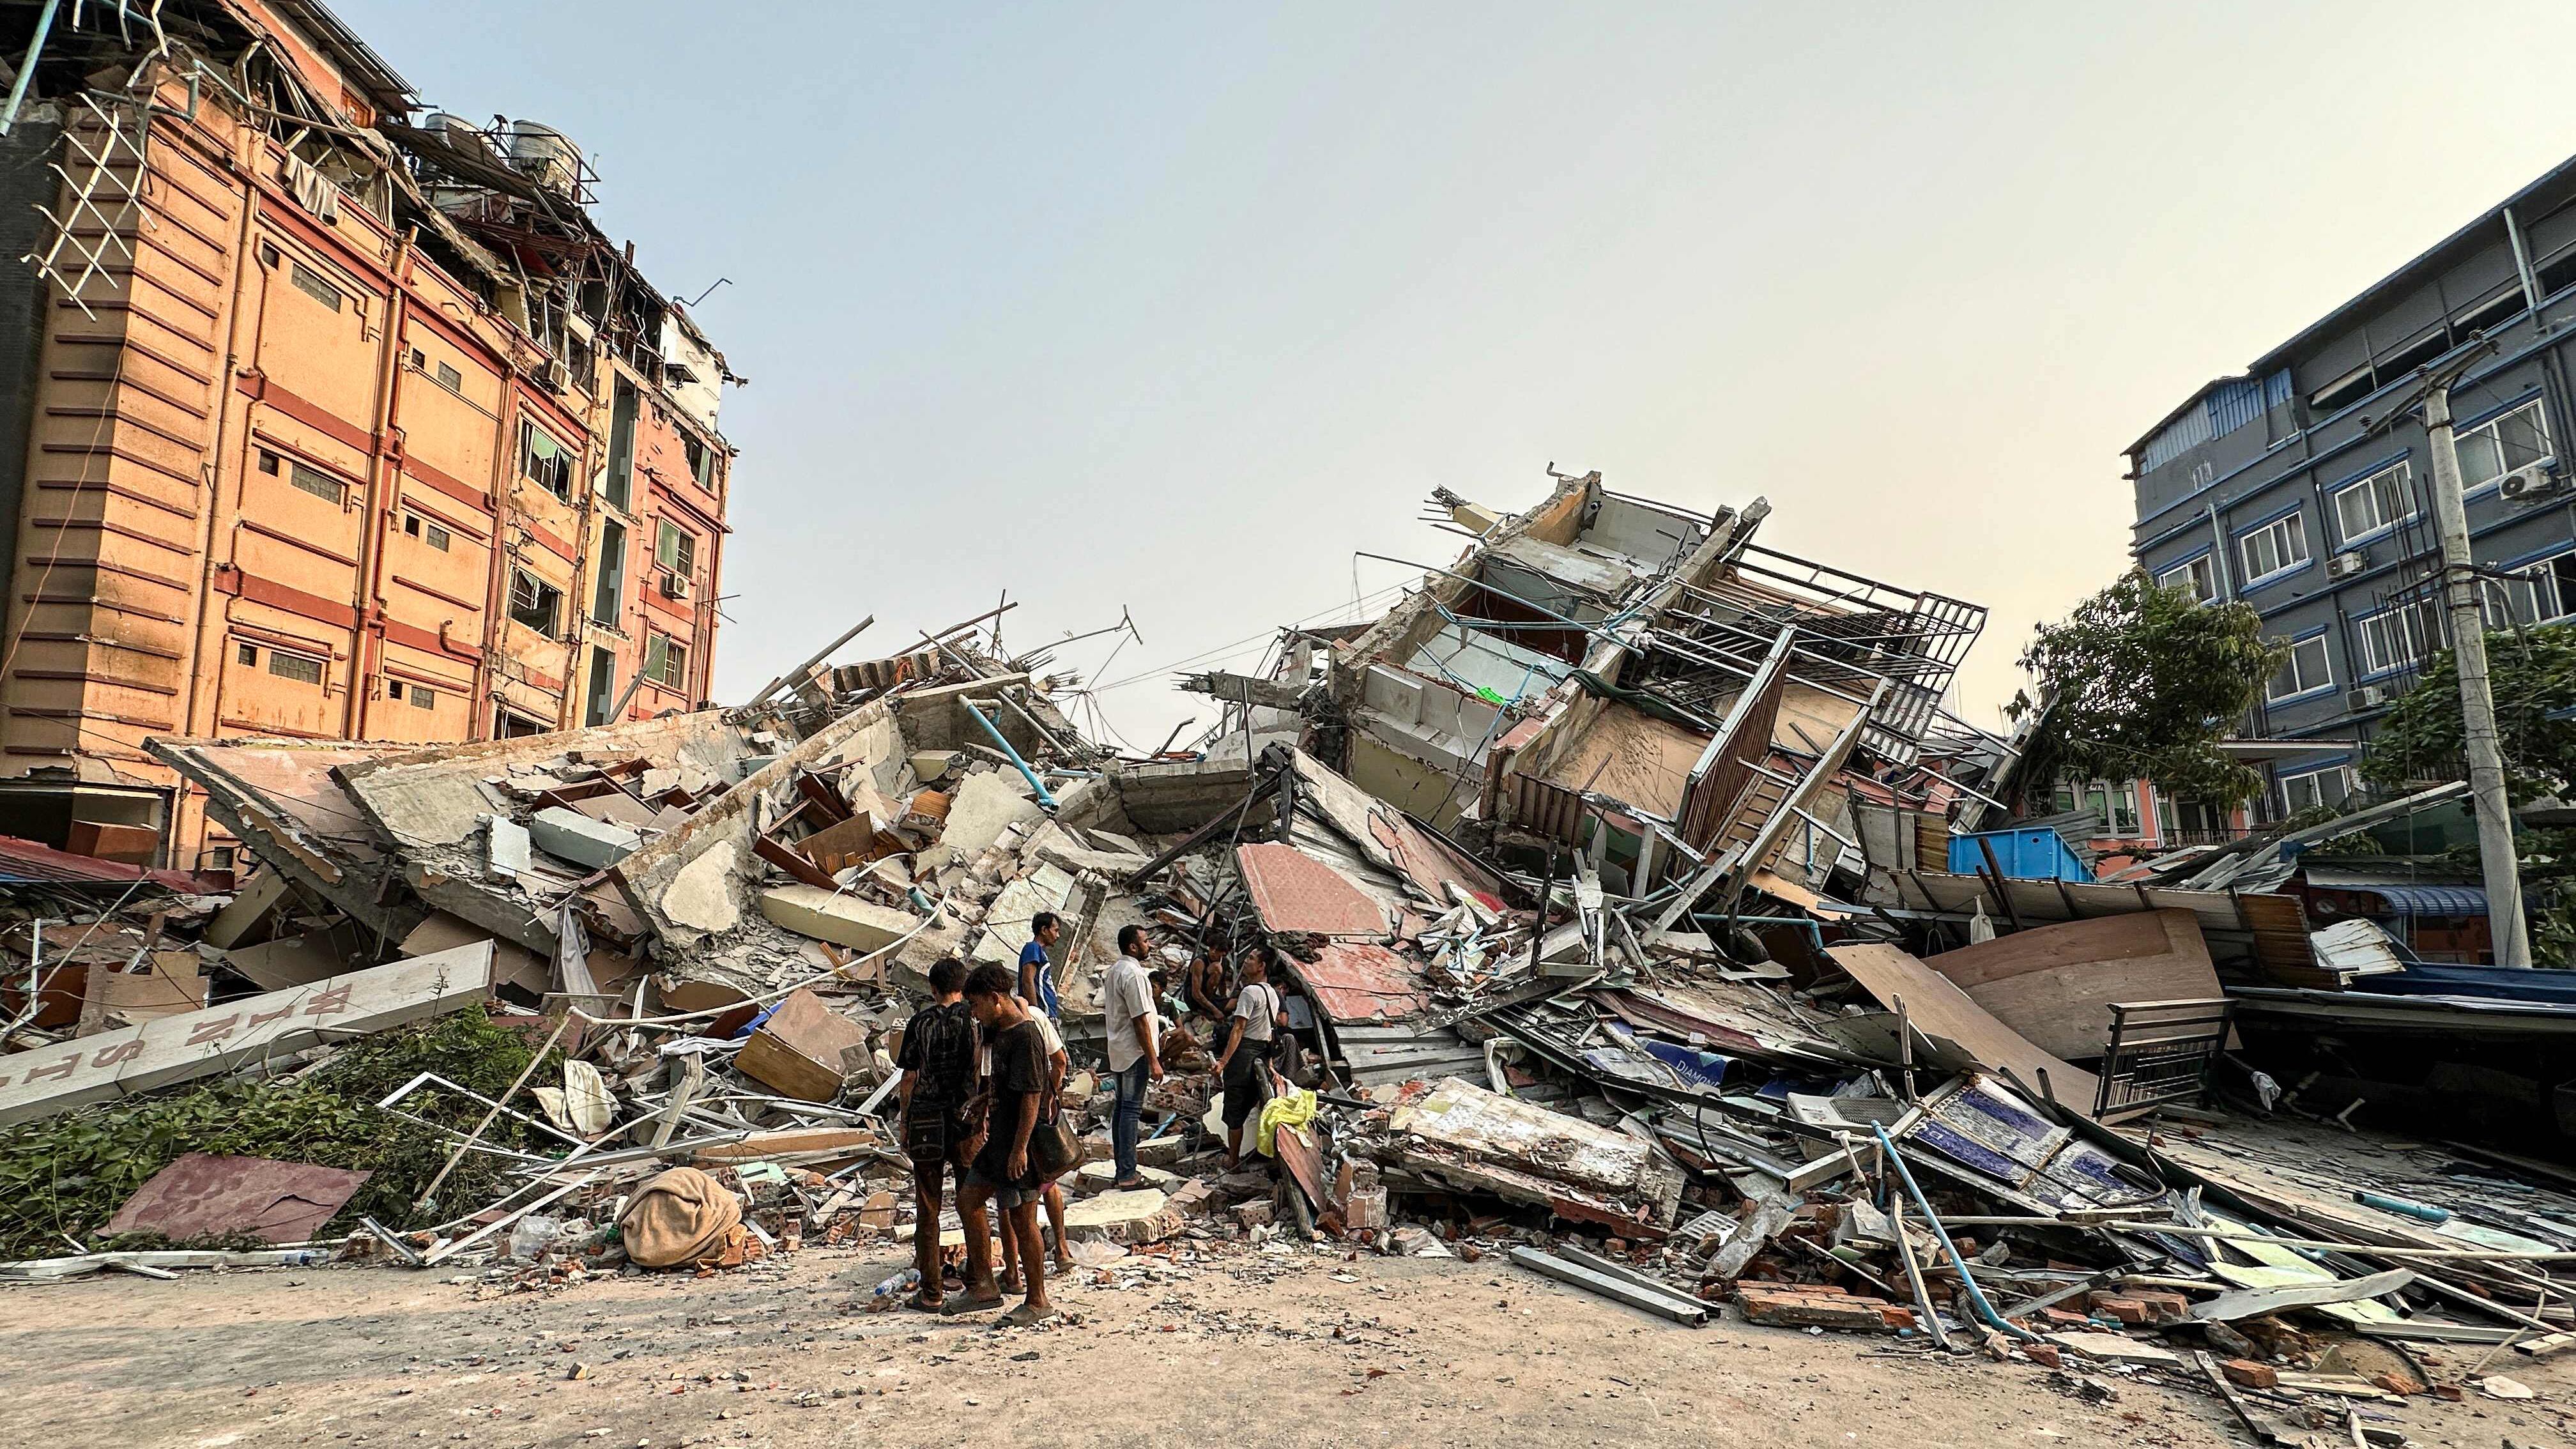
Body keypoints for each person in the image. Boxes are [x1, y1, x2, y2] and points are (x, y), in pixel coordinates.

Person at [950, 963, 1056, 1325]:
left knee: (1023, 1219)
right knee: (968, 1200)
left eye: (978, 1006)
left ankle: (1037, 1299)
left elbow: (1031, 1096)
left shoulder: (1026, 1035)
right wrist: (983, 1101)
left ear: (996, 1000)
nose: (976, 1015)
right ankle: (984, 1285)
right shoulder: (1003, 1033)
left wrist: (1020, 1149)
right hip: (1000, 1140)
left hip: (1017, 1143)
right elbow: (1008, 1086)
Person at [893, 956, 978, 1312]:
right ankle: (977, 1280)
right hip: (964, 1119)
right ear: (963, 986)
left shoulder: (920, 1022)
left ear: (933, 988)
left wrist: (905, 1122)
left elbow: (909, 1078)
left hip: (927, 1119)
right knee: (971, 1202)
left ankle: (931, 1291)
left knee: (928, 1206)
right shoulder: (974, 1020)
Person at [997, 1005, 1075, 1289]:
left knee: (1011, 1199)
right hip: (1042, 1114)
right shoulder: (1038, 1017)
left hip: (1015, 1120)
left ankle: (1014, 1272)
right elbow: (1061, 1061)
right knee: (1048, 1180)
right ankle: (1062, 1249)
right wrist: (1051, 1097)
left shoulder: (1005, 1029)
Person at [1214, 952, 1289, 1170]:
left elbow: (1239, 1029)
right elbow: (1270, 1030)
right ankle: (1262, 1153)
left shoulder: (1249, 992)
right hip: (1262, 1054)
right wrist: (1271, 1064)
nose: (1246, 961)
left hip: (1244, 1054)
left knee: (1234, 1110)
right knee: (1256, 1103)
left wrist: (1222, 1062)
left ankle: (1233, 1160)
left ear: (1262, 966)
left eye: (1251, 959)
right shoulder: (1273, 994)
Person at [1102, 923, 1162, 1190]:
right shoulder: (1134, 975)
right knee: (1130, 1111)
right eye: (1146, 941)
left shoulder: (1116, 971)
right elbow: (1140, 1020)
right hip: (1134, 1052)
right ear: (1133, 947)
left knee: (1122, 1110)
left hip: (1119, 1050)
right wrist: (1153, 1059)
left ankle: (1122, 1170)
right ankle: (1128, 1174)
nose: (1150, 946)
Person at [1018, 912, 1062, 1019]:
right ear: (1044, 930)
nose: (1058, 936)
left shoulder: (1040, 952)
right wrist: (1036, 1013)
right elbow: (1027, 981)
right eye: (1055, 931)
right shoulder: (1033, 948)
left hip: (1047, 1013)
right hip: (1042, 1014)